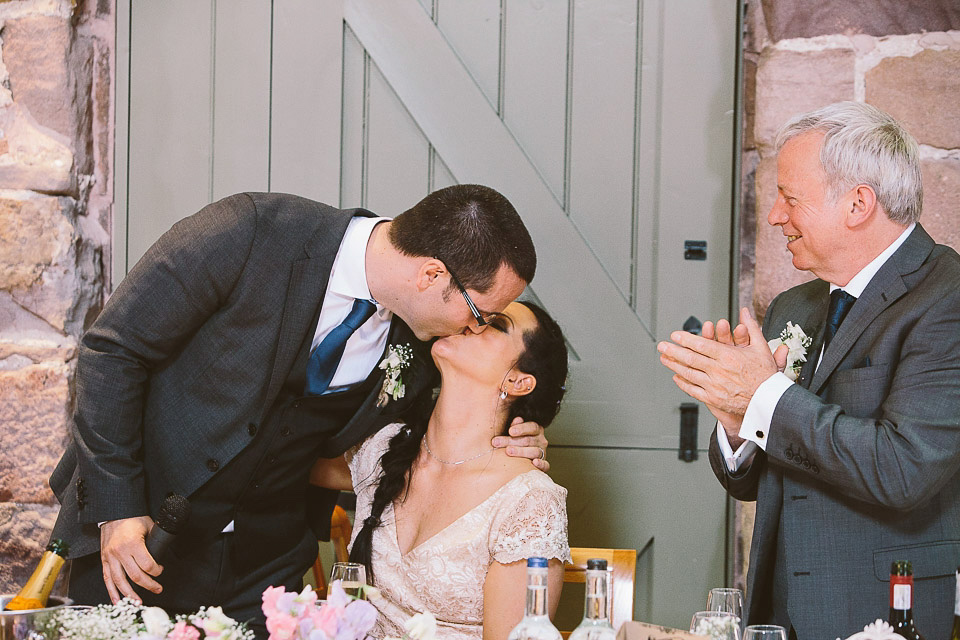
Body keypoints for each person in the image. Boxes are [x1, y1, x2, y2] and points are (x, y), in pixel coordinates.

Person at [48, 185, 553, 634]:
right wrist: (117, 512)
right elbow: (113, 350)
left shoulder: (423, 343)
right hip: (139, 544)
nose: (474, 329)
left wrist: (514, 437)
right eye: (478, 313)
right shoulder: (247, 231)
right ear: (430, 274)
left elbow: (440, 441)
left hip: (269, 572)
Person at [657, 102, 960, 640]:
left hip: (882, 612)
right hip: (778, 609)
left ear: (858, 204)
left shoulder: (947, 297)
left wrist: (765, 396)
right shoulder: (793, 307)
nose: (775, 215)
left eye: (790, 198)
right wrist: (735, 423)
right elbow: (761, 479)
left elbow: (904, 468)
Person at [310, 300, 570, 639]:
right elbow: (278, 459)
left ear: (519, 381)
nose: (472, 321)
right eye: (476, 312)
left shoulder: (530, 502)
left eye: (495, 324)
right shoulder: (383, 450)